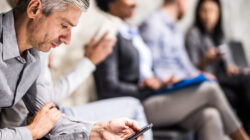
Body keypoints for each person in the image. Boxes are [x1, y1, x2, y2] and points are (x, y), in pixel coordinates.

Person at [93, 0, 250, 139]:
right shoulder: (108, 34)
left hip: (151, 96)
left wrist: (158, 82)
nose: (136, 2)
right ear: (111, 2)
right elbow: (108, 89)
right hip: (139, 103)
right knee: (210, 90)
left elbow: (146, 71)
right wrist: (146, 86)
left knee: (210, 115)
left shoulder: (129, 32)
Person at [0, 0, 144, 139]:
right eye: (64, 25)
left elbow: (48, 117)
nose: (67, 40)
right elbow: (37, 127)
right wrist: (31, 132)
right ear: (34, 9)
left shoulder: (36, 52)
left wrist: (100, 130)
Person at [185, 0, 250, 133]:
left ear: (219, 14)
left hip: (224, 78)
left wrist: (231, 68)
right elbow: (190, 69)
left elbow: (228, 64)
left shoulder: (219, 35)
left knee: (237, 94)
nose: (208, 15)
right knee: (246, 80)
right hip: (210, 78)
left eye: (213, 11)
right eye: (204, 10)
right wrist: (206, 60)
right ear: (198, 12)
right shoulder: (194, 34)